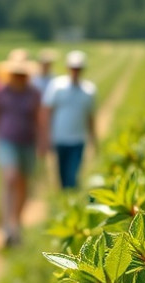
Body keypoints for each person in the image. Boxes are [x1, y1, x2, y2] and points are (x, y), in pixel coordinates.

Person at [0, 57, 42, 247]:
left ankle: (16, 222)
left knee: (22, 184)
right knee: (9, 178)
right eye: (15, 74)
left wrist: (43, 142)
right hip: (6, 141)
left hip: (28, 143)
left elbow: (39, 118)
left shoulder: (33, 94)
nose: (18, 77)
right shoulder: (0, 93)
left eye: (22, 74)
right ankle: (7, 226)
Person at [40, 50, 97, 190]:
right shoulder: (57, 86)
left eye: (78, 68)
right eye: (73, 68)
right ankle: (65, 202)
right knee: (62, 176)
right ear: (68, 68)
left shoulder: (89, 90)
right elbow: (47, 112)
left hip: (78, 140)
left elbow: (90, 117)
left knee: (72, 175)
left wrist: (94, 140)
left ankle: (71, 200)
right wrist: (45, 136)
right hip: (59, 139)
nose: (75, 71)